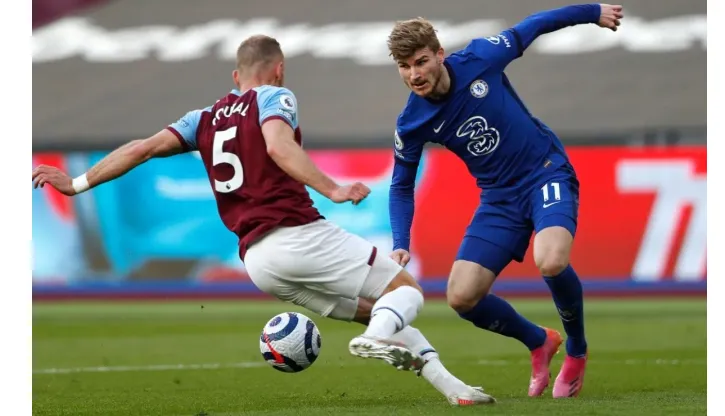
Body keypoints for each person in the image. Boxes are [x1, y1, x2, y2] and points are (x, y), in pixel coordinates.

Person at [31, 34, 494, 406]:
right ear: (279, 69)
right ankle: (375, 340)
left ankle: (454, 389)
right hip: (296, 234)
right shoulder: (274, 96)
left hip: (259, 262)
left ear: (235, 75)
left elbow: (142, 148)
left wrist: (77, 183)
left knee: (381, 315)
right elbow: (276, 144)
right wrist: (332, 188)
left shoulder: (204, 117)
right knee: (407, 292)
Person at [386, 4, 624, 398]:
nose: (414, 74)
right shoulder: (412, 123)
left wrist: (593, 11)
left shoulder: (481, 57)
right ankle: (538, 340)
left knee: (550, 260)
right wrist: (400, 242)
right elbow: (400, 185)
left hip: (544, 171)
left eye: (421, 61)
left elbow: (533, 26)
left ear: (439, 54)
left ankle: (577, 350)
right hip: (498, 198)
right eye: (404, 66)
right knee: (461, 297)